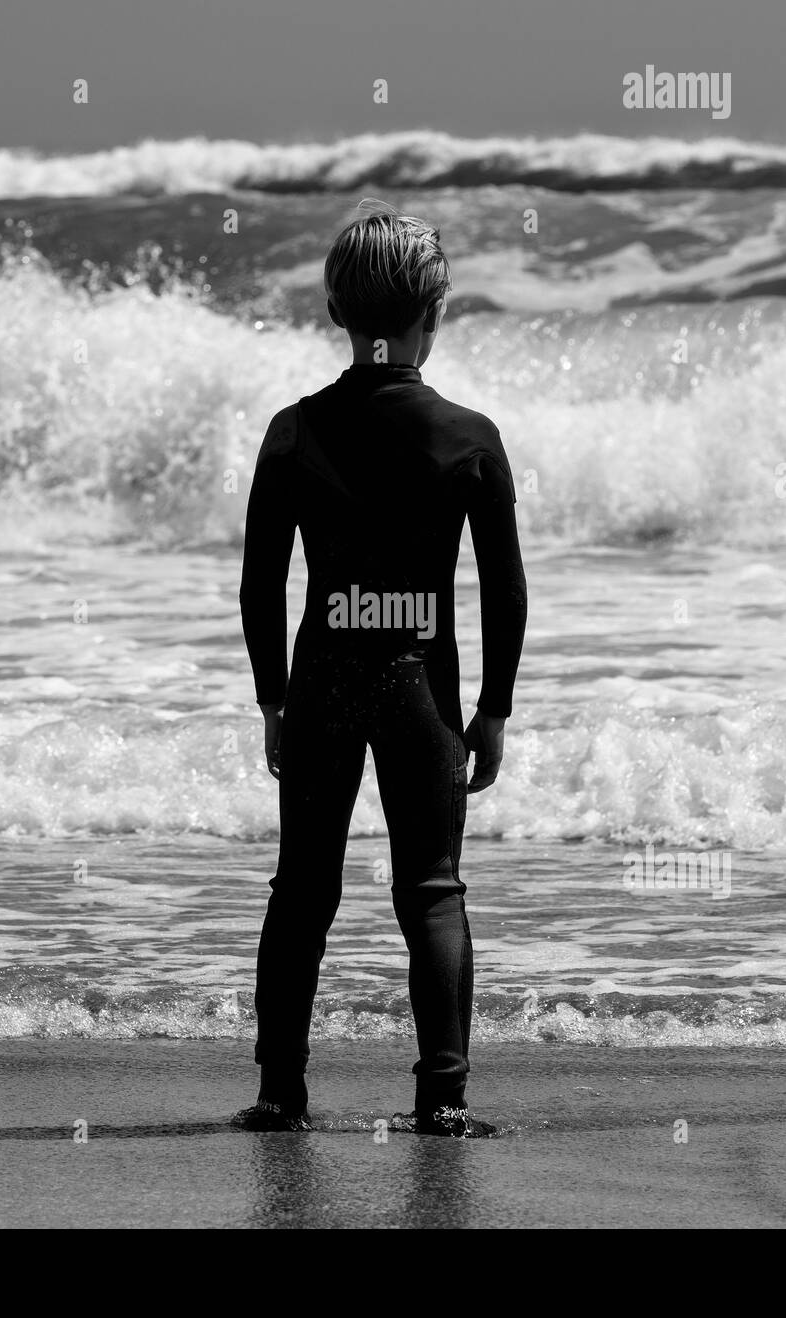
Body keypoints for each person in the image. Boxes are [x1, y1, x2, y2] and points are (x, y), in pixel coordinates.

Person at [235, 202, 528, 1138]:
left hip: (323, 676)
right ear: (433, 316)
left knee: (302, 890)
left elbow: (260, 584)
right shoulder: (468, 437)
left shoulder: (293, 432)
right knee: (432, 891)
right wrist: (491, 712)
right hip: (420, 685)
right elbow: (507, 591)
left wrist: (274, 701)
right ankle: (441, 1099)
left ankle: (281, 1093)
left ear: (335, 313)